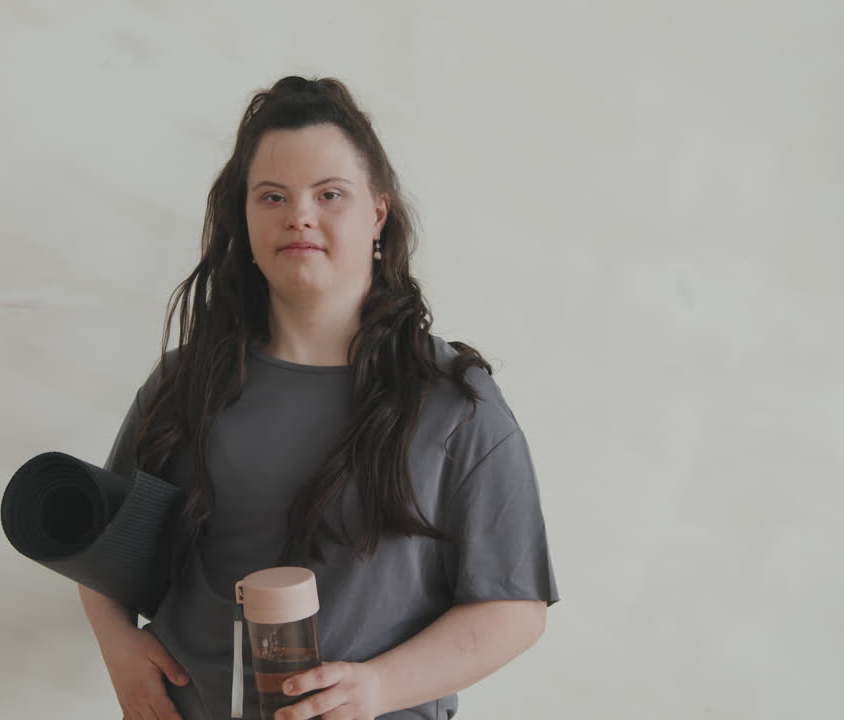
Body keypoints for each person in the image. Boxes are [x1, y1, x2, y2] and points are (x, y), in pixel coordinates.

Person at [79, 75, 559, 720]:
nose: (299, 215)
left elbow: (514, 607)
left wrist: (379, 687)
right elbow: (99, 548)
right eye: (271, 196)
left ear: (378, 214)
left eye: (329, 194)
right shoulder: (183, 383)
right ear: (244, 219)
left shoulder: (453, 399)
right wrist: (119, 649)